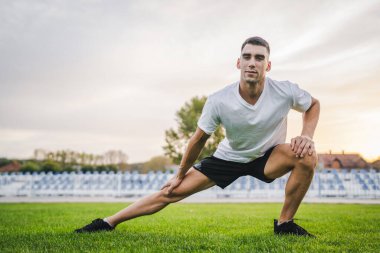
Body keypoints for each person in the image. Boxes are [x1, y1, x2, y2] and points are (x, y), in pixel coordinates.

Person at [75, 36, 320, 237]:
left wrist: (306, 135)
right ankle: (107, 222)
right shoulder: (219, 100)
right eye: (247, 57)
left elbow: (313, 104)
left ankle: (285, 224)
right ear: (238, 63)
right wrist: (179, 174)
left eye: (259, 58)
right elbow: (198, 140)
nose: (252, 63)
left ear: (268, 65)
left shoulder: (284, 90)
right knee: (169, 192)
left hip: (268, 156)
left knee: (307, 155)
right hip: (229, 158)